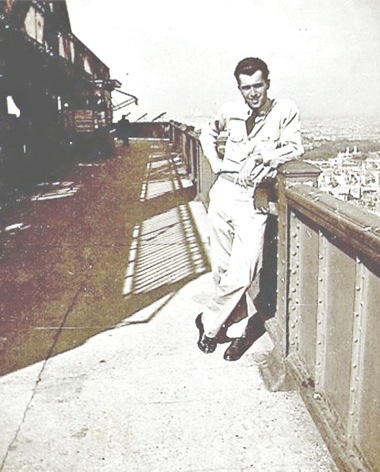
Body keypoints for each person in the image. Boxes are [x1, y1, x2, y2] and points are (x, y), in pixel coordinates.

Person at [197, 57, 304, 361]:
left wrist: (263, 157)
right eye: (246, 87)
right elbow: (207, 133)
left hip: (252, 198)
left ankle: (207, 323)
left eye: (258, 85)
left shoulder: (285, 110)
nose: (253, 93)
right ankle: (234, 328)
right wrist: (215, 164)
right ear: (239, 89)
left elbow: (296, 147)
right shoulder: (231, 112)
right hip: (223, 193)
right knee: (221, 268)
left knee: (243, 273)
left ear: (267, 83)